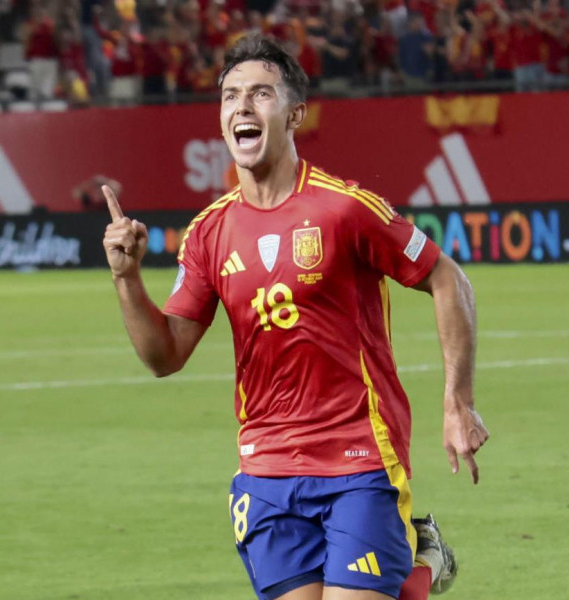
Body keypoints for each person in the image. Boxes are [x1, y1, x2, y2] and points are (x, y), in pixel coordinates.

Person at [101, 33, 488, 600]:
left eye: (260, 94)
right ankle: (421, 563)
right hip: (266, 467)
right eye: (231, 95)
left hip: (358, 455)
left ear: (294, 115)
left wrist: (458, 401)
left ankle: (417, 562)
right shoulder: (208, 233)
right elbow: (164, 356)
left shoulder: (344, 209)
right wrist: (126, 278)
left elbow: (446, 276)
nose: (242, 107)